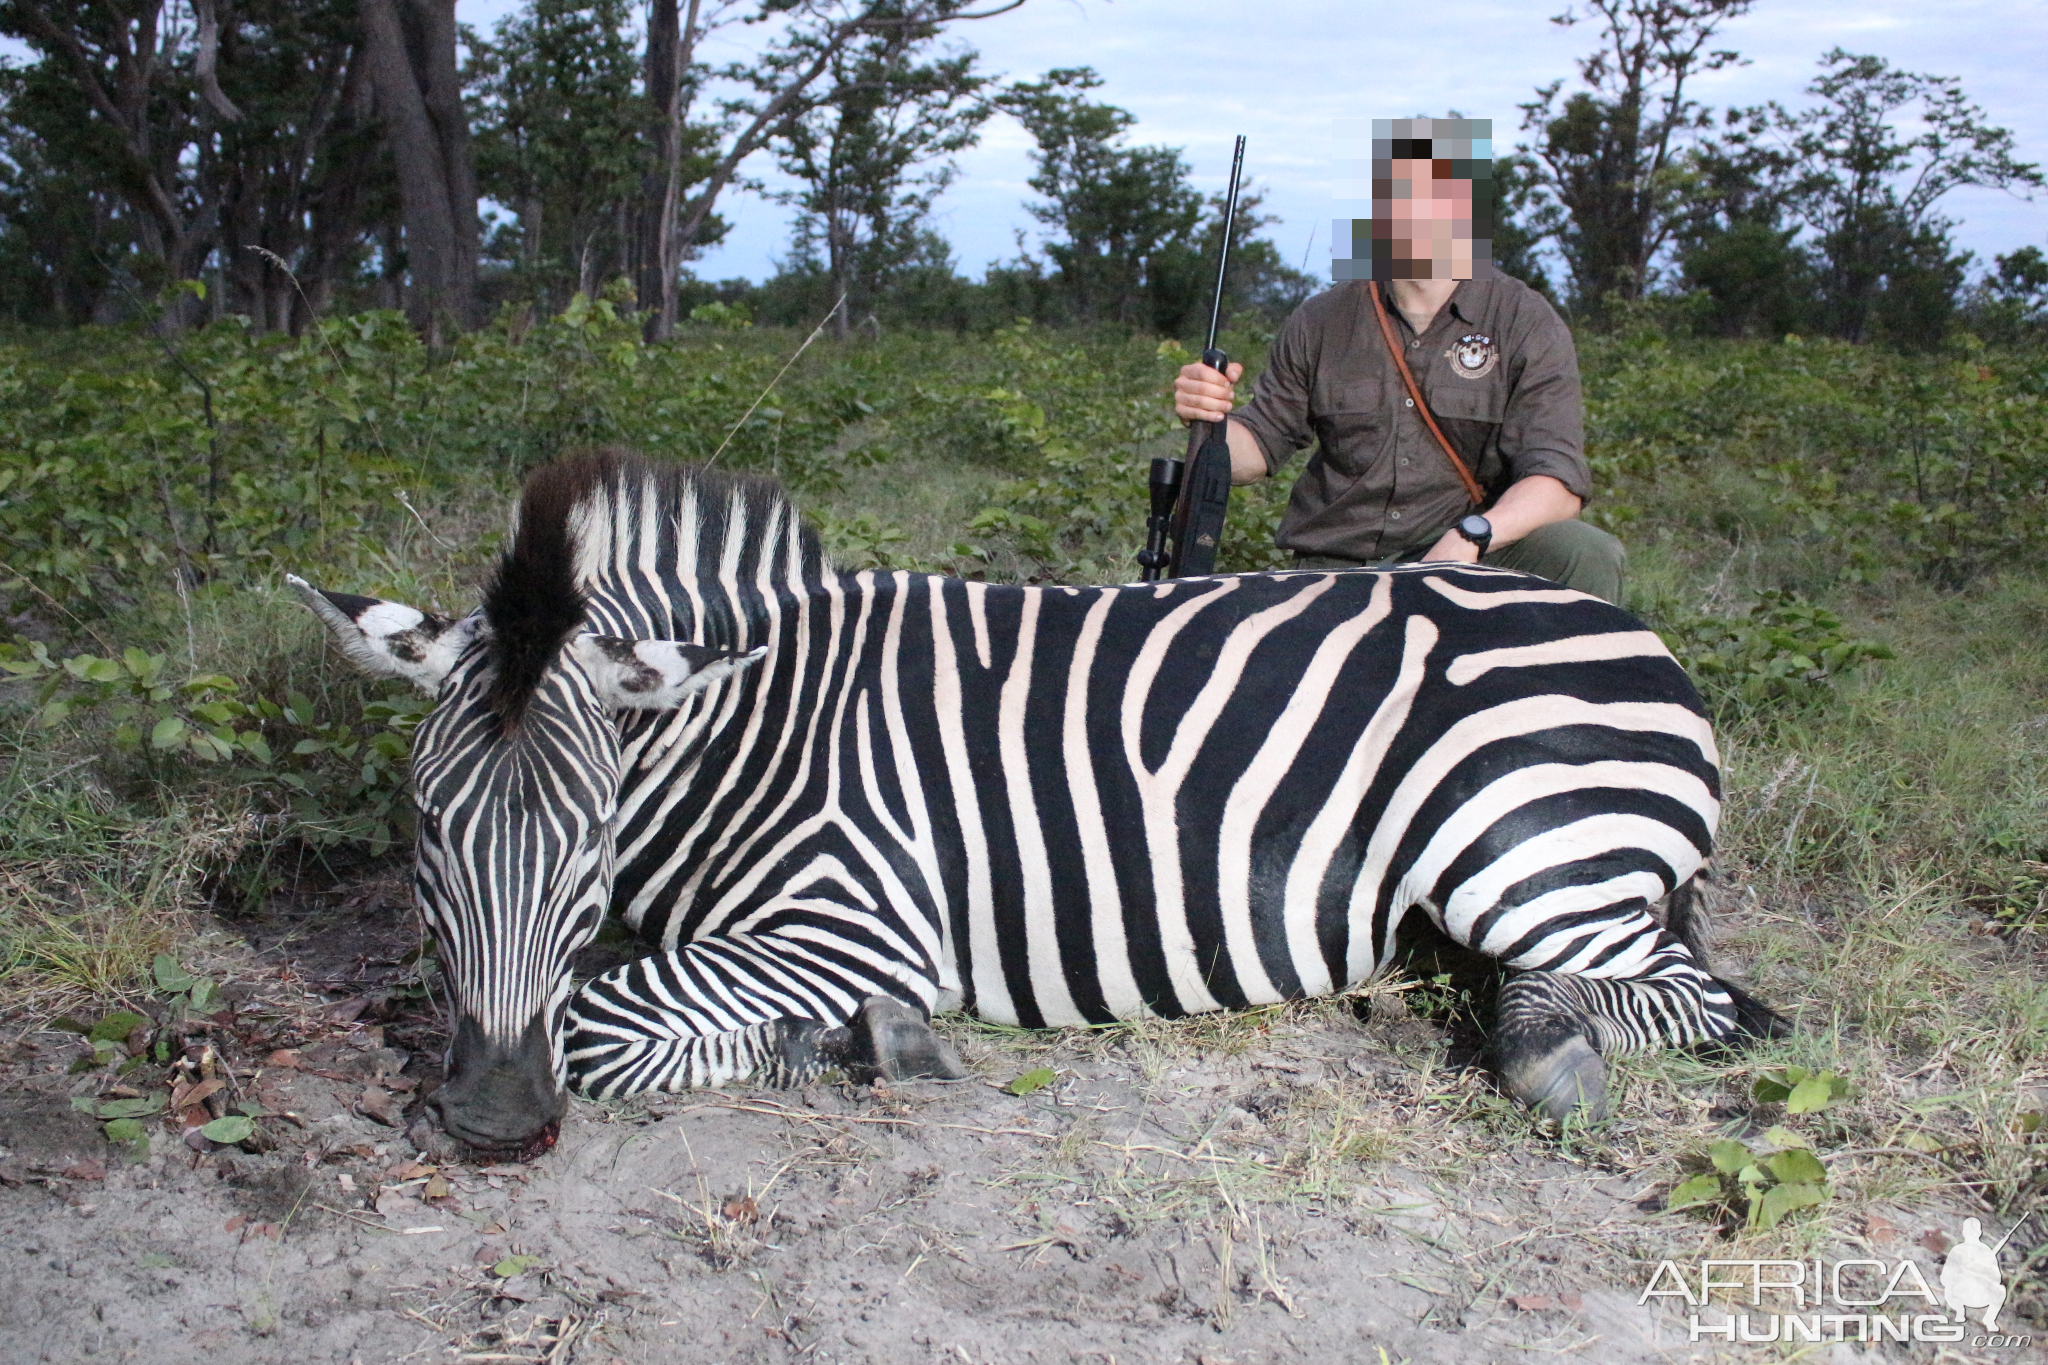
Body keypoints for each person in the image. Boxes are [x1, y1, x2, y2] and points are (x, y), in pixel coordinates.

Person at [1172, 117, 1624, 603]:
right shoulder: (1320, 318)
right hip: (1336, 569)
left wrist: (1471, 536)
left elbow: (1557, 481)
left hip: (1464, 558)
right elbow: (1256, 450)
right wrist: (1210, 416)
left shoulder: (1525, 319)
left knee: (1585, 552)